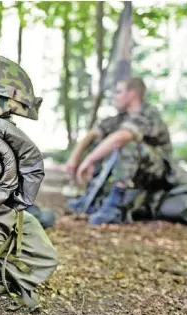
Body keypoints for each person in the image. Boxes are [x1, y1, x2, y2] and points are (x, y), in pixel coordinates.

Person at [66, 77, 172, 225]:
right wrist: (74, 158)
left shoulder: (148, 113)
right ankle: (92, 197)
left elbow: (122, 137)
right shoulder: (120, 118)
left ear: (132, 94)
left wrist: (89, 160)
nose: (115, 96)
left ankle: (115, 207)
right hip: (135, 170)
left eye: (118, 92)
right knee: (100, 143)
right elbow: (92, 134)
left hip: (158, 173)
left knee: (126, 143)